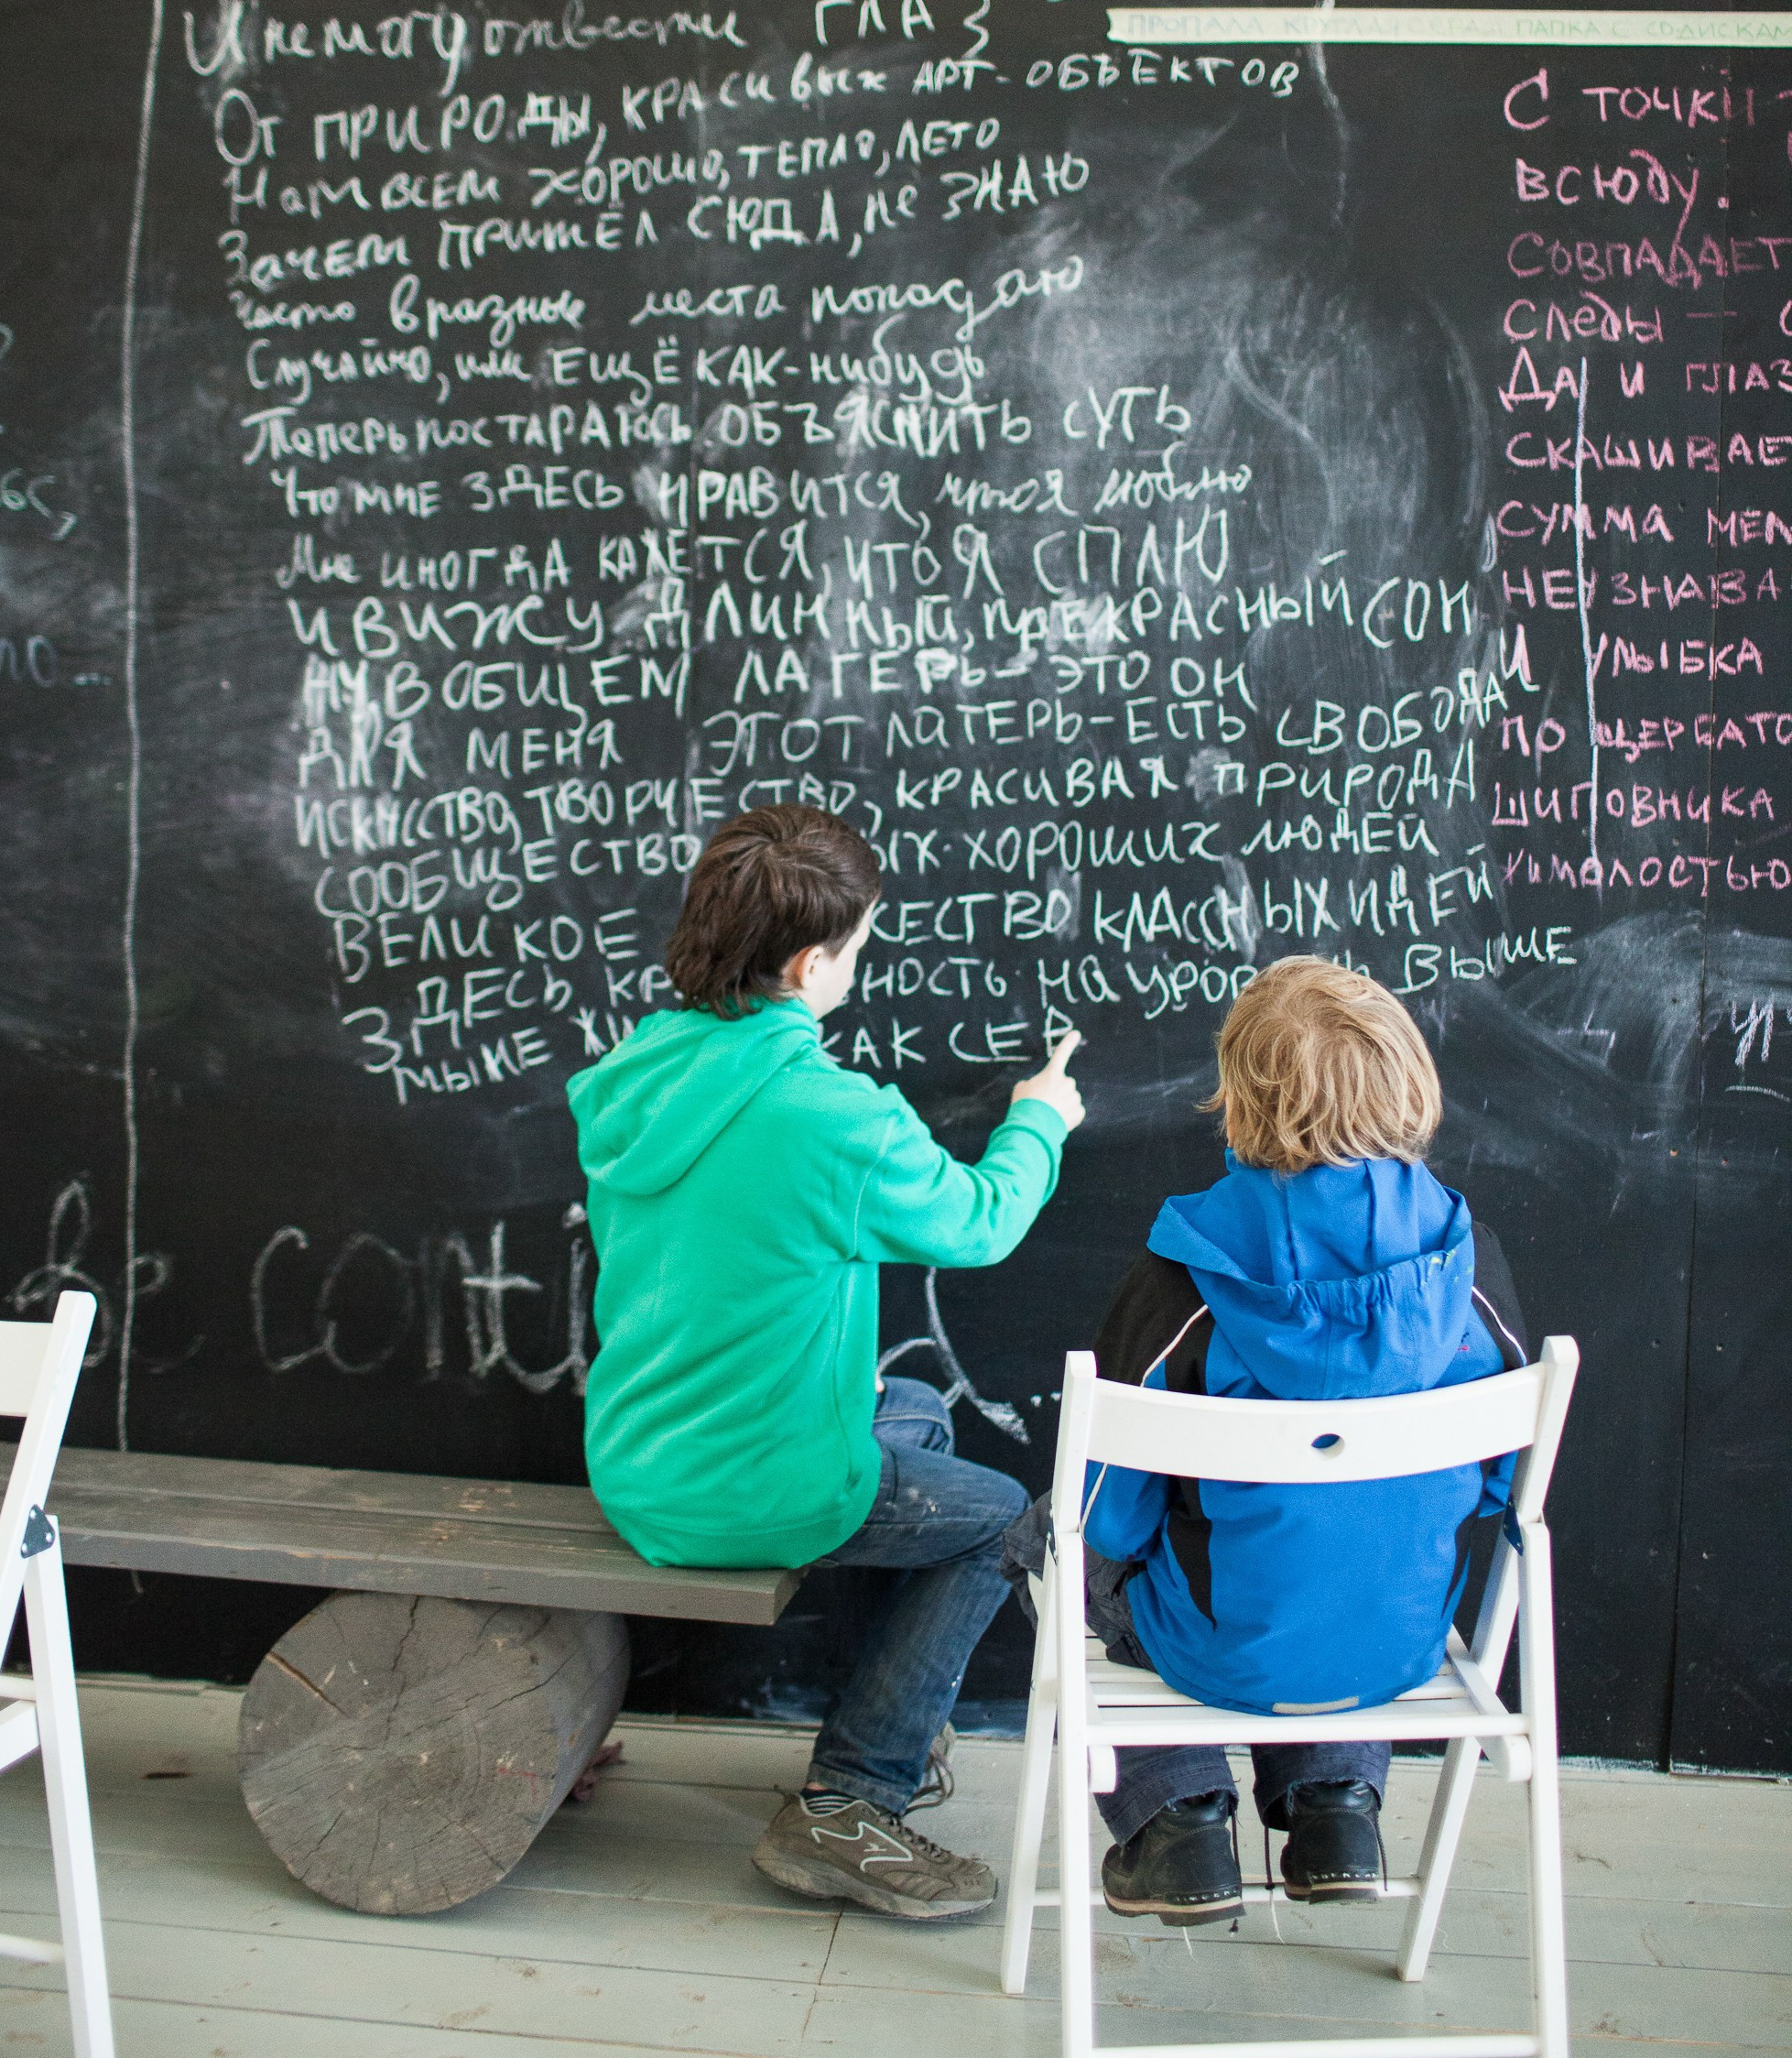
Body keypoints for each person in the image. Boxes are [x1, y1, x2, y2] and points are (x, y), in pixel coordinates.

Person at [568, 802, 1085, 1922]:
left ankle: (882, 1714)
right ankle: (854, 1795)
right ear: (811, 962)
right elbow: (981, 1223)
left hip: (637, 1457)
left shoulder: (638, 1071)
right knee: (1004, 1515)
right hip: (751, 1488)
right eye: (856, 947)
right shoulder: (831, 1118)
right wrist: (1036, 1119)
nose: (857, 965)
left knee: (903, 1405)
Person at [1013, 954, 1527, 1925]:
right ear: (1408, 1080)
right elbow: (1502, 1488)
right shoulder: (1467, 1269)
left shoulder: (1181, 1285)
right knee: (1341, 1540)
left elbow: (1105, 1522)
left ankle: (1176, 1818)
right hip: (1399, 1642)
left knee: (1045, 1534)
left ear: (1236, 1098)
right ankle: (1334, 1809)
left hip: (1216, 1649)